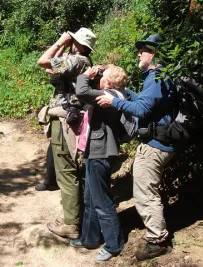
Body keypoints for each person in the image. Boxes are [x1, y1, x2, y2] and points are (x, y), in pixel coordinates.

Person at [96, 34, 177, 260]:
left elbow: (141, 111)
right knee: (146, 190)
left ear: (154, 53)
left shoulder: (157, 77)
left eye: (143, 50)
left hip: (155, 145)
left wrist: (114, 101)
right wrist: (127, 91)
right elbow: (145, 102)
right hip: (160, 141)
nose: (139, 54)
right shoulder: (158, 76)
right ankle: (157, 233)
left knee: (144, 193)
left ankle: (157, 241)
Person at [37, 28, 96, 239]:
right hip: (66, 119)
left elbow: (42, 62)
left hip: (65, 122)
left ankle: (71, 223)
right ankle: (73, 216)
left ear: (79, 44)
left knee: (66, 171)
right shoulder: (80, 62)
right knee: (68, 170)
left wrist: (60, 42)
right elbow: (50, 70)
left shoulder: (78, 61)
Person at [69, 64, 127, 262]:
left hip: (101, 152)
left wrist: (86, 74)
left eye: (103, 77)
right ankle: (90, 238)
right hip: (95, 150)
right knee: (91, 198)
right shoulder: (112, 92)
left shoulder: (108, 96)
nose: (99, 78)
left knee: (102, 201)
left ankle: (114, 245)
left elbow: (82, 90)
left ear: (109, 82)